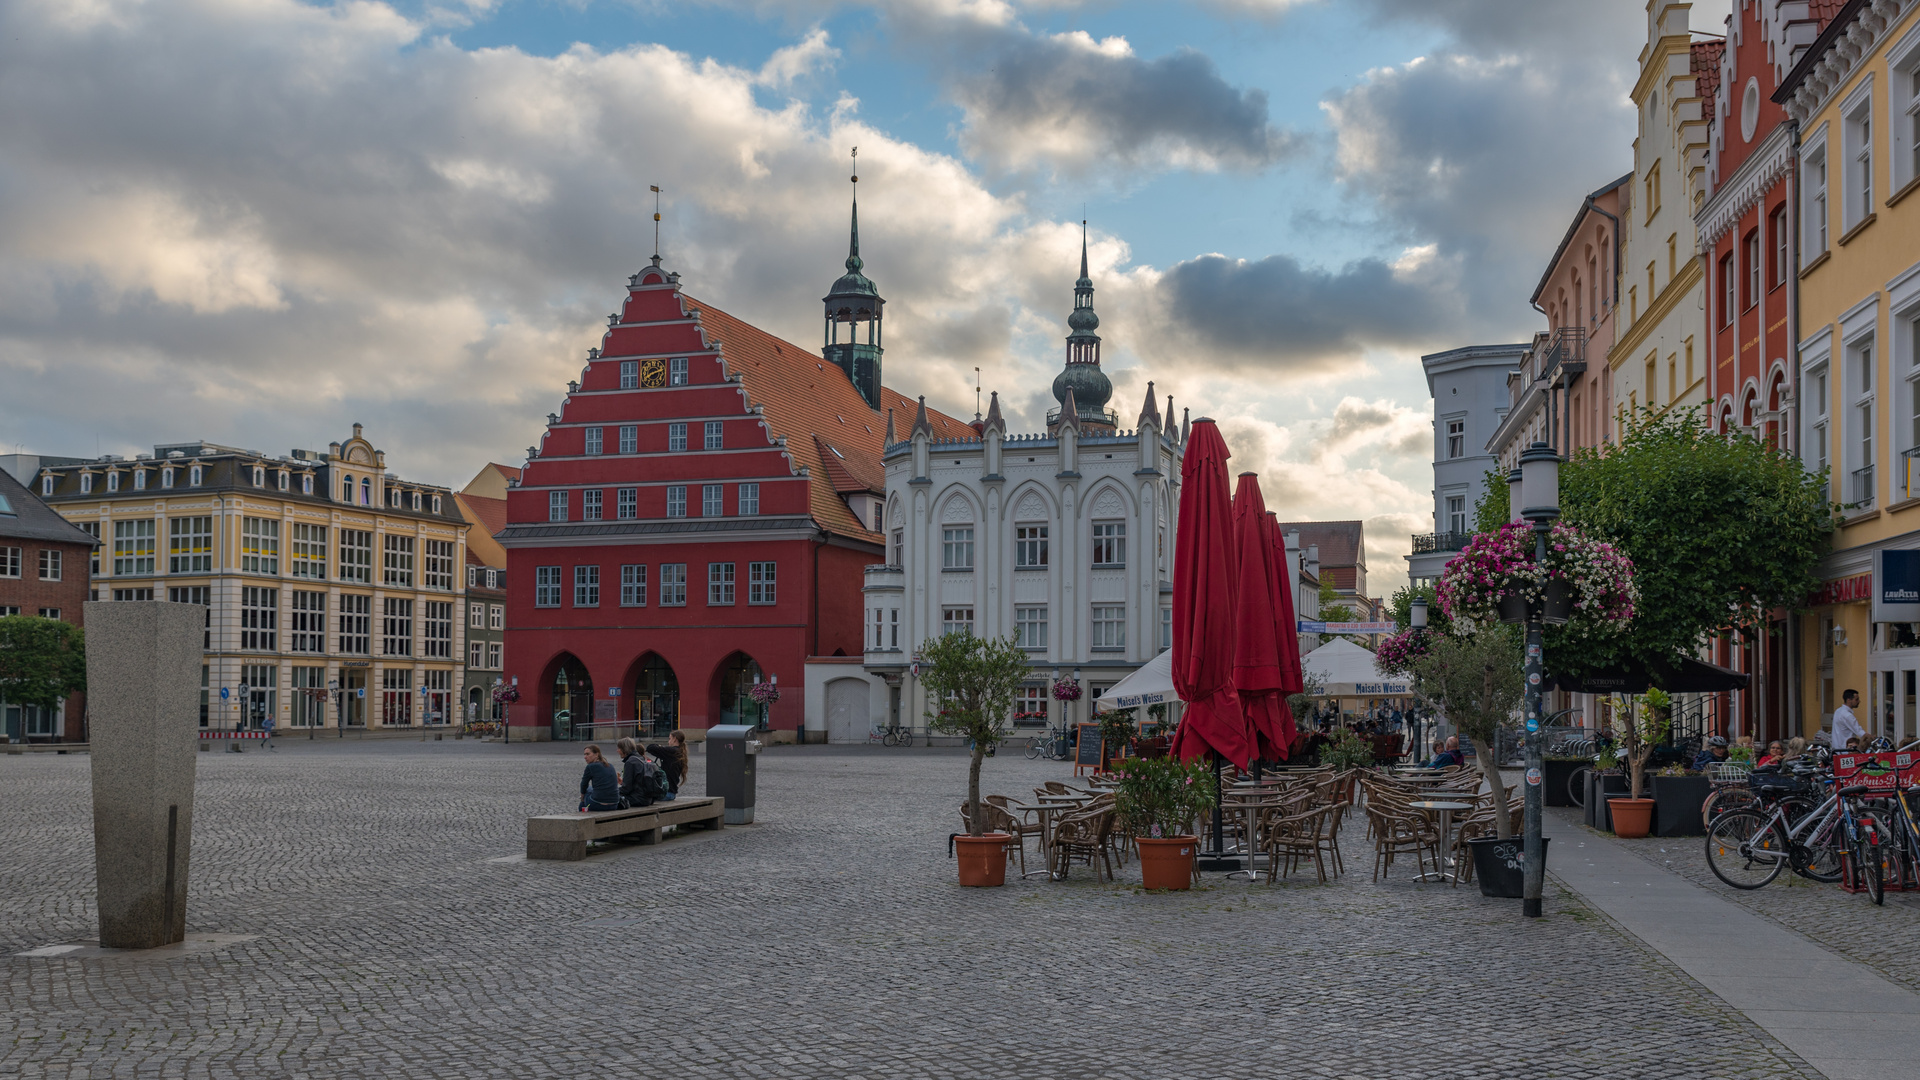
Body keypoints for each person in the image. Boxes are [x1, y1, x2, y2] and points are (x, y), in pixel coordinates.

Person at [646, 730, 689, 799]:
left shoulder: (671, 751)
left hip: (666, 793)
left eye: (670, 738)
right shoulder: (679, 752)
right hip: (671, 792)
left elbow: (650, 748)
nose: (668, 741)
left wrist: (660, 746)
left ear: (674, 739)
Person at [615, 737, 655, 808]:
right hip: (647, 798)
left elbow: (626, 789)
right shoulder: (640, 758)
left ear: (624, 749)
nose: (617, 751)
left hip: (637, 799)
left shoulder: (630, 762)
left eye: (619, 748)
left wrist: (612, 792)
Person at [578, 744, 619, 812]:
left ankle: (581, 815)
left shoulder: (591, 766)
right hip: (614, 804)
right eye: (584, 754)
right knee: (590, 789)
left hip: (597, 803)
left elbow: (583, 785)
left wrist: (582, 797)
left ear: (596, 754)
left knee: (584, 797)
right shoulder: (610, 765)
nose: (585, 757)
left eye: (588, 754)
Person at [1831, 689, 1866, 755]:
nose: (1859, 701)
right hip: (1846, 751)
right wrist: (1871, 739)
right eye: (1856, 699)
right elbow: (1860, 732)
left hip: (1837, 749)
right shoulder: (1847, 715)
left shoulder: (1838, 711)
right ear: (1848, 700)